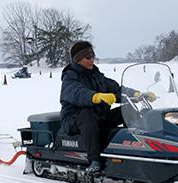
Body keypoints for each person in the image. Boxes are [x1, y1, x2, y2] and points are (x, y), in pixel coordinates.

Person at [60, 41, 155, 173]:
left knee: (128, 109)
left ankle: (140, 146)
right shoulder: (70, 77)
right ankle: (94, 160)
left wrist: (136, 94)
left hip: (99, 117)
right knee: (87, 113)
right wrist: (95, 96)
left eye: (93, 57)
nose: (91, 60)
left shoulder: (96, 75)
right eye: (88, 58)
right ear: (78, 59)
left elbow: (115, 88)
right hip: (74, 120)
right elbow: (76, 92)